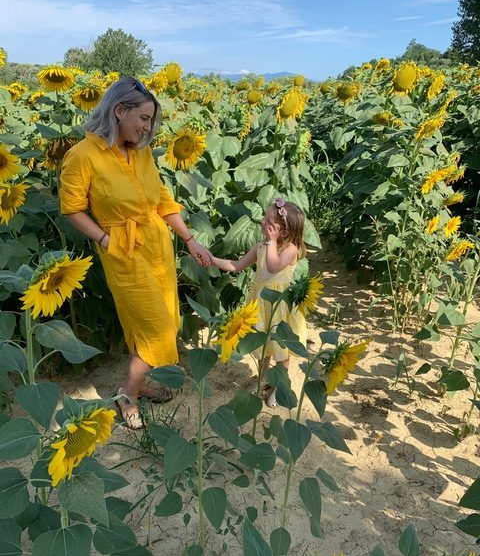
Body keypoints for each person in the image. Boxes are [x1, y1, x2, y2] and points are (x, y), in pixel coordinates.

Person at [60, 76, 212, 429]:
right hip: (123, 250)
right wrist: (104, 240)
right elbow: (71, 208)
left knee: (163, 320)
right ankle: (128, 393)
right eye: (143, 119)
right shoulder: (83, 156)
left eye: (150, 121)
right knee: (154, 327)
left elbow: (161, 200)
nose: (148, 128)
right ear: (119, 110)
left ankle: (139, 384)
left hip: (157, 247)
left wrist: (189, 240)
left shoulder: (141, 153)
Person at [212, 198, 307, 407]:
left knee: (280, 349)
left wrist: (272, 242)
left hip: (279, 307)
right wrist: (213, 259)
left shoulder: (290, 249)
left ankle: (278, 387)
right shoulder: (260, 247)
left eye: (268, 220)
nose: (262, 221)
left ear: (281, 231)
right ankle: (264, 377)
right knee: (263, 345)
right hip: (260, 304)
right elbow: (236, 266)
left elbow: (273, 267)